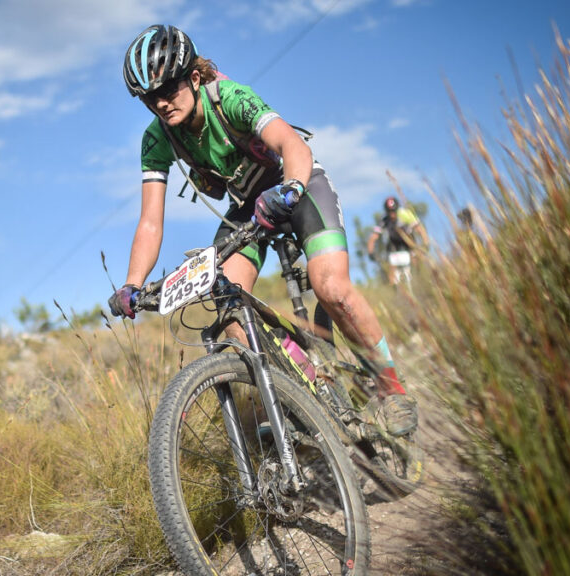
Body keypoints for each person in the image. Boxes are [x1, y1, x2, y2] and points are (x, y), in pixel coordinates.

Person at [107, 25, 417, 436]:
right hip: (246, 206)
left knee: (331, 287)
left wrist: (290, 189)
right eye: (149, 98)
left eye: (168, 90)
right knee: (228, 305)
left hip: (297, 184)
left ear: (194, 78)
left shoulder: (230, 98)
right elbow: (150, 220)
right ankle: (309, 400)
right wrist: (132, 284)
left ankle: (392, 390)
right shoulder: (156, 140)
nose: (160, 104)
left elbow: (293, 146)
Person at [366, 196, 429, 287]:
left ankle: (420, 283)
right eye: (389, 212)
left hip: (409, 243)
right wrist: (371, 252)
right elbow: (373, 237)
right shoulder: (384, 220)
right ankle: (394, 289)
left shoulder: (406, 214)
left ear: (398, 209)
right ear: (386, 212)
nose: (392, 214)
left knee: (416, 260)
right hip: (393, 245)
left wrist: (425, 244)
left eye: (394, 211)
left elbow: (420, 230)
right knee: (391, 267)